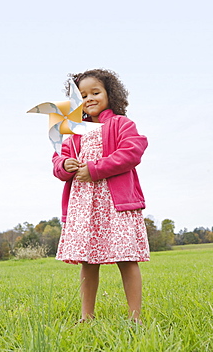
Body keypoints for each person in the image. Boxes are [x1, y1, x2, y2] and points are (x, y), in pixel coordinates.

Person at [52, 69, 150, 324]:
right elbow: (57, 162)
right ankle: (87, 316)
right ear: (75, 101)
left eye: (95, 92)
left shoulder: (121, 124)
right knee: (87, 259)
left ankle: (135, 317)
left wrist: (94, 169)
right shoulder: (72, 132)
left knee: (126, 257)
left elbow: (132, 152)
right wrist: (65, 165)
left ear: (110, 94)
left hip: (116, 203)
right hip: (85, 204)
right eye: (83, 95)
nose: (89, 98)